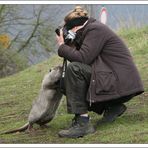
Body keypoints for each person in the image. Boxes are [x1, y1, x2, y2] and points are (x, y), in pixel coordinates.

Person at [56, 6, 144, 138]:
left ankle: (83, 123)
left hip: (119, 82)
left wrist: (62, 47)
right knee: (64, 81)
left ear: (74, 28)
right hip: (111, 78)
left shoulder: (95, 29)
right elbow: (84, 57)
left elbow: (83, 58)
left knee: (74, 69)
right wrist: (71, 43)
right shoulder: (89, 30)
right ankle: (112, 106)